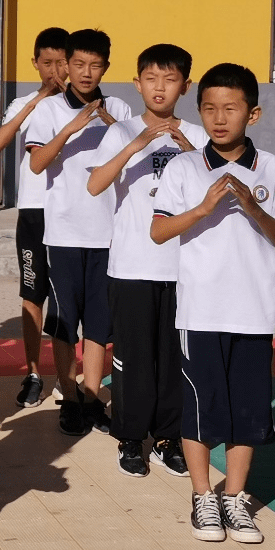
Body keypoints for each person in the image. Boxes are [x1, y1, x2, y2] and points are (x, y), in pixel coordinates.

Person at [150, 63, 275, 544]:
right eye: (209, 108)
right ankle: (203, 498)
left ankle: (235, 499)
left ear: (252, 114)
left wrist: (253, 206)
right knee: (200, 407)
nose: (219, 118)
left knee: (248, 410)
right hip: (200, 311)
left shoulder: (274, 170)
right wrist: (203, 208)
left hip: (253, 311)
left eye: (230, 108)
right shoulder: (185, 167)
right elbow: (158, 231)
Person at [87, 44, 207, 477]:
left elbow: (216, 189)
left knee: (175, 360)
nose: (160, 87)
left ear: (185, 86)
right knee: (133, 359)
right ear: (137, 83)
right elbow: (96, 185)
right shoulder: (120, 133)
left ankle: (170, 437)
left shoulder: (198, 134)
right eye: (151, 78)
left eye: (170, 79)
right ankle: (130, 438)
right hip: (132, 267)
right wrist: (137, 142)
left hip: (183, 268)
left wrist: (190, 149)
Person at [26, 28, 133, 436]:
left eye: (96, 65)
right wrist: (70, 128)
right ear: (66, 65)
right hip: (65, 235)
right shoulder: (49, 109)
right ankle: (69, 396)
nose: (87, 73)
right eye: (79, 65)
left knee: (99, 325)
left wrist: (110, 125)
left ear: (107, 65)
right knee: (65, 322)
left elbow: (133, 158)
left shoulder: (120, 109)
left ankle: (91, 395)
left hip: (110, 235)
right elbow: (37, 165)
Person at [0, 26, 68, 408]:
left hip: (72, 215)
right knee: (33, 293)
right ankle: (34, 372)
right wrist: (39, 98)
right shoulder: (25, 103)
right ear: (34, 63)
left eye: (61, 62)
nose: (54, 70)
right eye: (46, 62)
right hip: (35, 213)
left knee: (70, 299)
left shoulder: (85, 106)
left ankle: (68, 377)